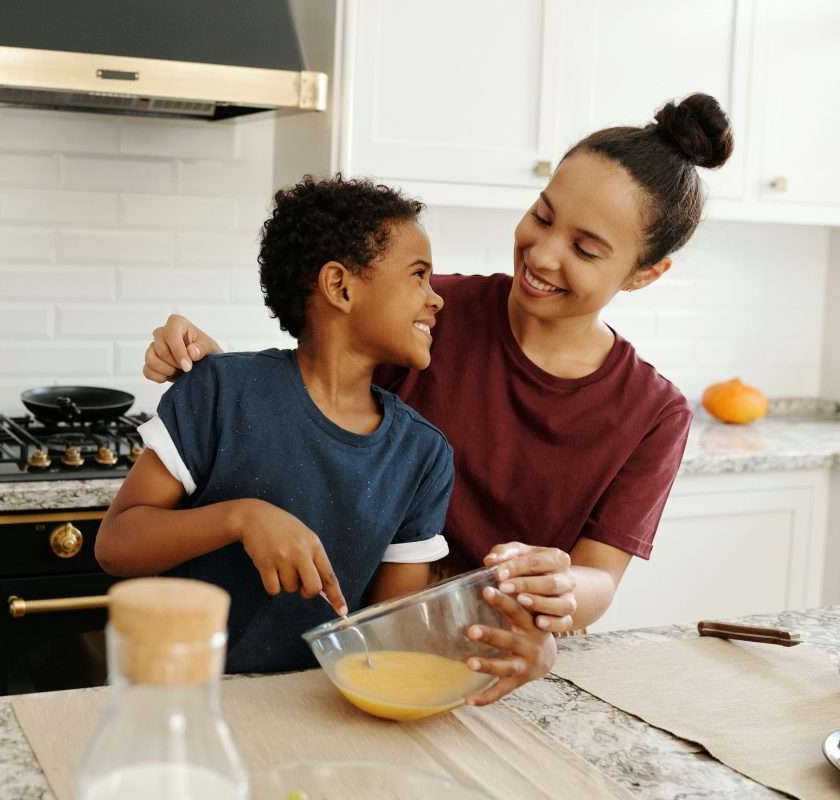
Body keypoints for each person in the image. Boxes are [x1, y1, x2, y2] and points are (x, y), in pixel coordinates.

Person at [141, 93, 734, 703]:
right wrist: (221, 370)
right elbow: (313, 383)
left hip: (493, 658)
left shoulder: (653, 410)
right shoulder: (431, 315)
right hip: (355, 651)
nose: (544, 252)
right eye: (543, 214)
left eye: (585, 249)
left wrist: (555, 606)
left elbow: (598, 580)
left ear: (644, 273)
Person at [95, 176, 546, 675]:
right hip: (184, 695)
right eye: (418, 275)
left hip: (321, 706)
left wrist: (495, 620)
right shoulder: (220, 392)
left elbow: (393, 633)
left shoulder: (423, 455)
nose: (435, 298)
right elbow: (116, 545)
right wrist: (242, 517)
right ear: (340, 287)